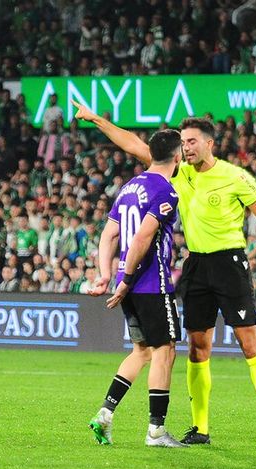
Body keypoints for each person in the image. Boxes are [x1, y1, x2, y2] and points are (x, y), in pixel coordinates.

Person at [72, 101, 256, 448]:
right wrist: (96, 119)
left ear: (209, 144)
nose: (187, 147)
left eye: (192, 141)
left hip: (230, 264)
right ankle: (200, 429)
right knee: (197, 346)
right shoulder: (178, 173)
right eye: (183, 142)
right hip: (196, 267)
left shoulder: (235, 177)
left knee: (248, 341)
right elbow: (131, 142)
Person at [86, 129, 187, 448]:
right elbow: (143, 237)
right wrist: (127, 278)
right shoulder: (166, 191)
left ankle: (105, 414)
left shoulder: (130, 187)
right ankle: (156, 431)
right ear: (177, 156)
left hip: (127, 283)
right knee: (165, 350)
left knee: (141, 351)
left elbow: (108, 236)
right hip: (150, 283)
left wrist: (107, 275)